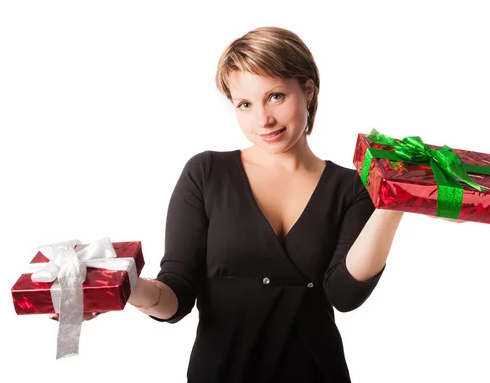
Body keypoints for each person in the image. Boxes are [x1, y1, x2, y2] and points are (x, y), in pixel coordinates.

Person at [110, 27, 405, 382]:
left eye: (276, 96)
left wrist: (396, 200)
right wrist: (122, 286)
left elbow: (344, 294)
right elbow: (176, 294)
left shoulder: (351, 187)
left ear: (308, 90)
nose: (262, 120)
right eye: (245, 104)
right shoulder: (205, 174)